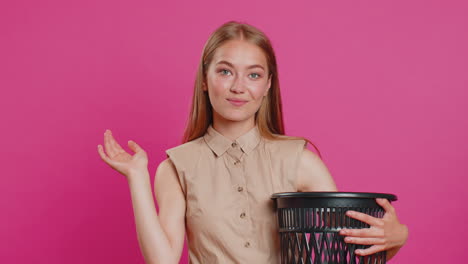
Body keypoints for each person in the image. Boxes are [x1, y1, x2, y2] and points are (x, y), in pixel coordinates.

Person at [97, 21, 408, 263]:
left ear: (268, 85)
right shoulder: (176, 167)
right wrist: (137, 176)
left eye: (254, 75)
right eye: (225, 71)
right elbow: (162, 260)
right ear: (205, 80)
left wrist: (397, 237)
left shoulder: (300, 161)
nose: (238, 87)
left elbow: (342, 253)